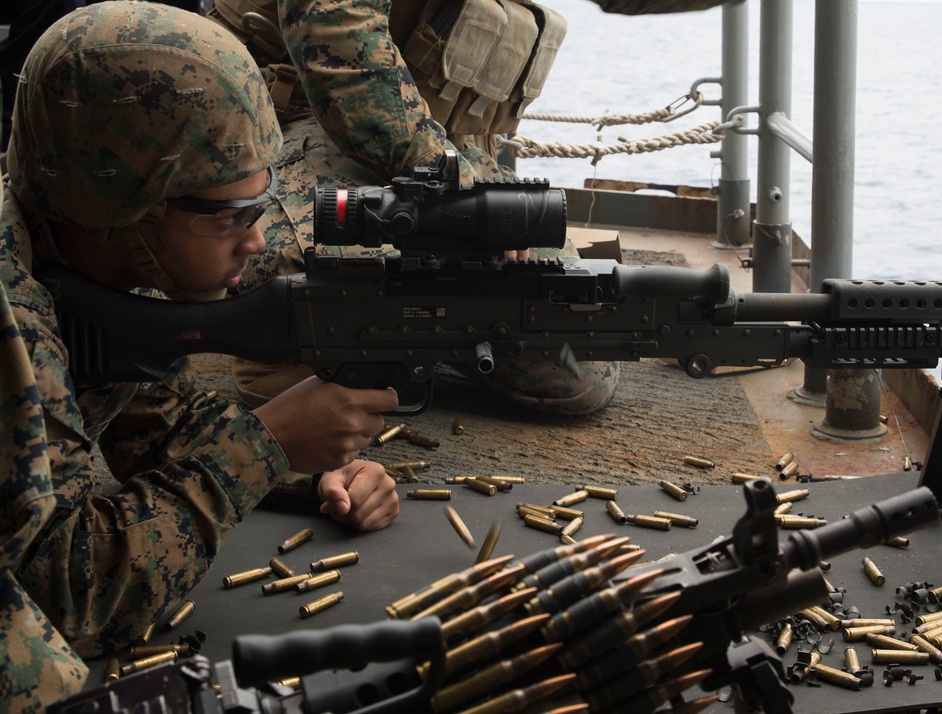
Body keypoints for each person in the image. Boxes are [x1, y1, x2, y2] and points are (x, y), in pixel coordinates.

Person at [0, 2, 399, 699]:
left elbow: (153, 425)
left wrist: (306, 470)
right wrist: (263, 444)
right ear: (121, 204)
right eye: (230, 218)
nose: (256, 242)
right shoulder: (12, 312)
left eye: (262, 207)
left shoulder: (92, 258)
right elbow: (62, 597)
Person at [208, 0, 623, 415]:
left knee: (575, 365)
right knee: (310, 294)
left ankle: (419, 338)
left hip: (453, 147)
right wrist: (462, 203)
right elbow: (343, 57)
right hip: (306, 123)